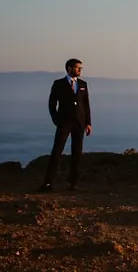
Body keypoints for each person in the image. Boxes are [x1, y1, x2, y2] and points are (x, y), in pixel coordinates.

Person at [39, 58, 92, 192]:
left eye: (81, 68)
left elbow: (86, 105)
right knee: (57, 152)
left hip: (79, 123)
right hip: (64, 123)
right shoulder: (58, 84)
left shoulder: (83, 84)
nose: (80, 70)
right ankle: (48, 183)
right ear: (69, 68)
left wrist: (88, 123)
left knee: (77, 154)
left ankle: (73, 183)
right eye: (77, 67)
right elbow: (52, 104)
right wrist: (57, 120)